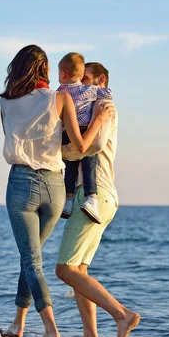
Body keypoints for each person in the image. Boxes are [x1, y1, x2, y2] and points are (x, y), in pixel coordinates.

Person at [0, 46, 116, 337]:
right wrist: (99, 120)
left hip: (21, 183)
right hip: (55, 188)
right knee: (32, 257)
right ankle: (18, 323)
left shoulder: (5, 104)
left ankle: (50, 328)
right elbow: (80, 145)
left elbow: (13, 139)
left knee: (30, 258)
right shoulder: (60, 98)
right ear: (46, 70)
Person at [56, 62, 140, 337]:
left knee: (64, 269)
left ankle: (122, 314)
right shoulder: (92, 105)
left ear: (101, 80)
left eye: (89, 80)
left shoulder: (104, 106)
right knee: (79, 269)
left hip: (95, 194)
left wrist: (61, 150)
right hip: (99, 196)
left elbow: (90, 146)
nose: (84, 87)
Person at [57, 53, 114, 223]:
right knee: (85, 161)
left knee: (78, 163)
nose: (82, 82)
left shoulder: (105, 108)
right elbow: (108, 93)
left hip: (100, 186)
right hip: (81, 130)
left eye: (86, 78)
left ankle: (80, 199)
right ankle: (87, 199)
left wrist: (63, 153)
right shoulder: (93, 94)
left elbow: (94, 145)